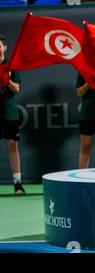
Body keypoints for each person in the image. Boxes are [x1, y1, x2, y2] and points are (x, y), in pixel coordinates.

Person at [0, 34, 25, 195]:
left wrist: (5, 79)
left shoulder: (11, 65)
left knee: (12, 146)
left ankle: (17, 183)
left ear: (4, 47)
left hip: (9, 112)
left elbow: (16, 89)